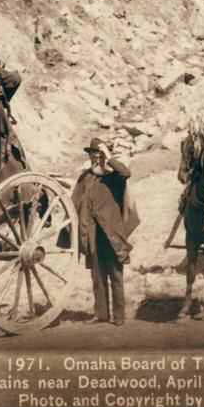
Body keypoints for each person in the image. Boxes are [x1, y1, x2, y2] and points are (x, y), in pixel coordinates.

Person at [72, 138, 138, 325]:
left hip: (111, 236)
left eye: (100, 157)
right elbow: (74, 203)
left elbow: (126, 172)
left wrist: (109, 158)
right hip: (92, 234)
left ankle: (119, 316)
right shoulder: (84, 178)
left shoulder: (113, 177)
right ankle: (101, 314)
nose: (97, 160)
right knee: (97, 276)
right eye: (94, 156)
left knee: (116, 275)